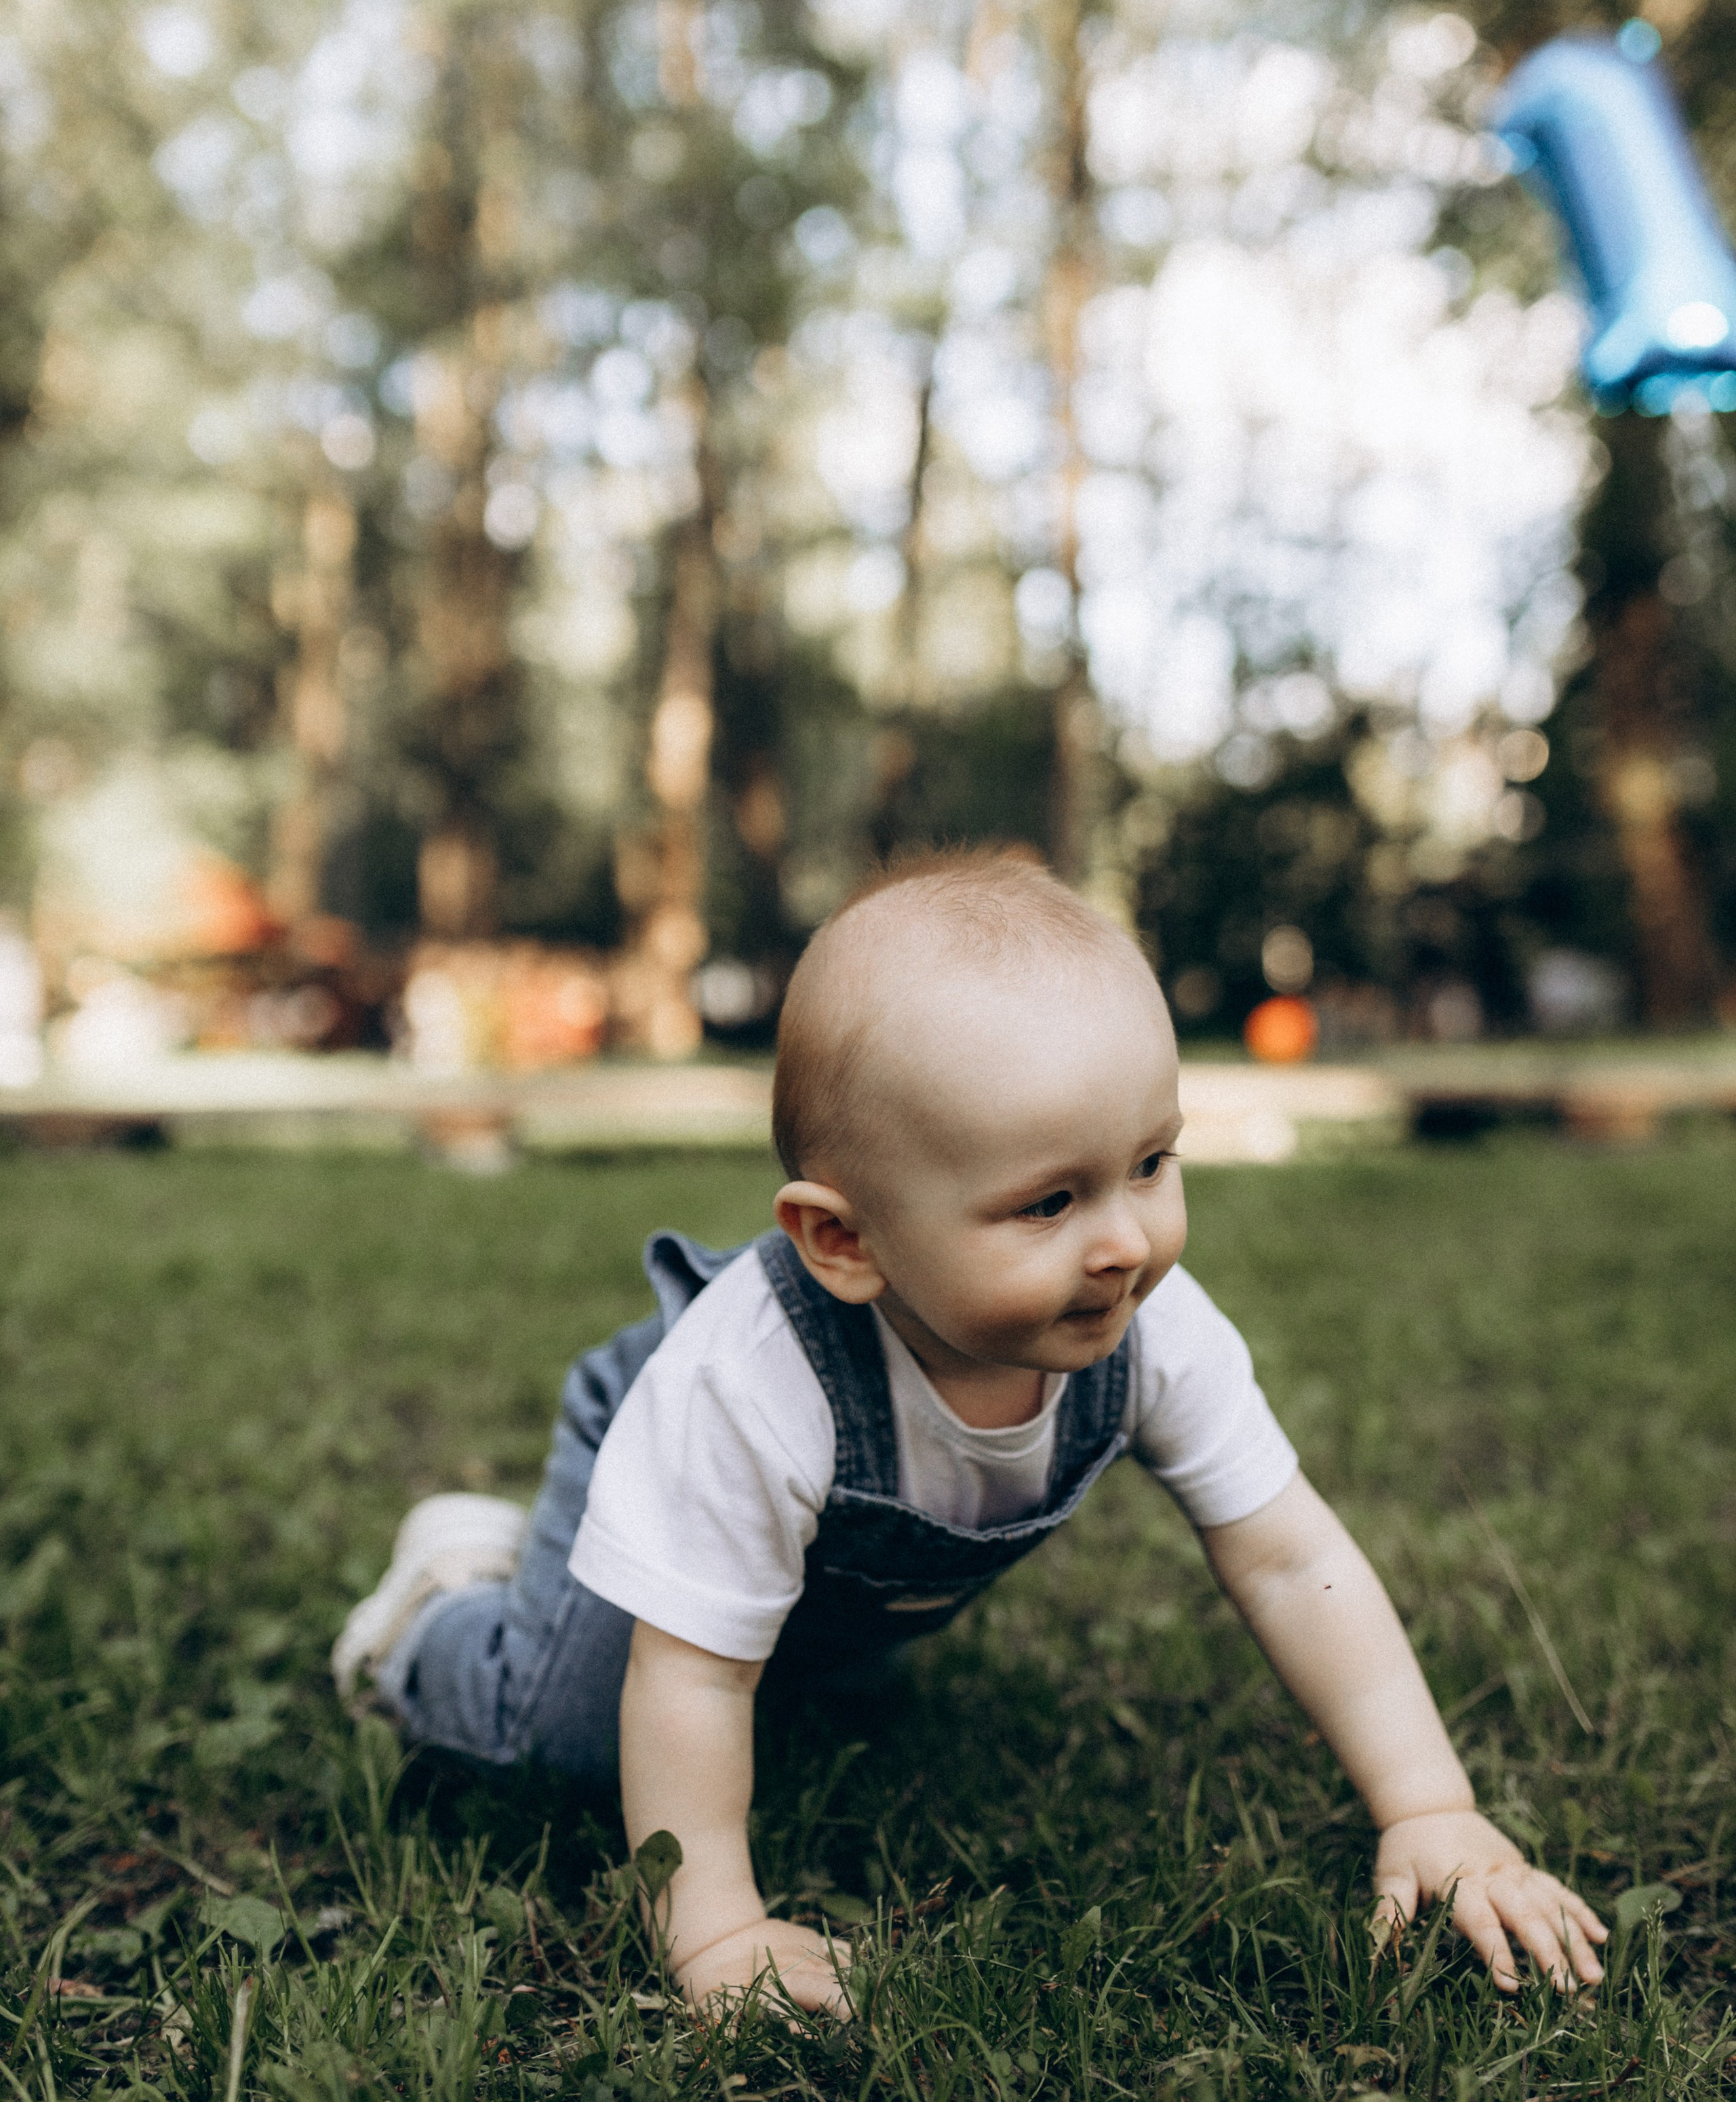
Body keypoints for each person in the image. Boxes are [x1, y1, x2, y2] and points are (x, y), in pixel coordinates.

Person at [334, 849, 1606, 2017]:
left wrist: (1432, 1807)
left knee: (809, 1688)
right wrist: (716, 1930)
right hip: (657, 1457)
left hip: (810, 1567)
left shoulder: (1148, 1322)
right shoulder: (748, 1383)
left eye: (1153, 1163)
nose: (1125, 1244)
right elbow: (694, 1676)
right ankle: (439, 1605)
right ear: (845, 1240)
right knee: (564, 1737)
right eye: (1049, 1201)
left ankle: (740, 1603)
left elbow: (1287, 1555)